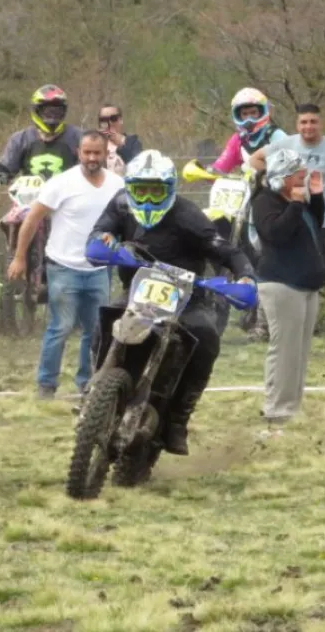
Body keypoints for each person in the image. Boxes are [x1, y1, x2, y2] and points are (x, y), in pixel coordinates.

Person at [88, 149, 255, 456]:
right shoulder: (120, 205)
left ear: (169, 189)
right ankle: (94, 392)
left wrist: (245, 276)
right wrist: (103, 241)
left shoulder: (187, 215)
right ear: (130, 189)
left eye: (156, 191)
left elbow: (226, 250)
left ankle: (178, 419)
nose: (148, 198)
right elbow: (100, 231)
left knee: (206, 338)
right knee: (106, 320)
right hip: (138, 290)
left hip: (187, 296)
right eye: (141, 190)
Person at [7, 132, 124, 400]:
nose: (92, 158)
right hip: (63, 268)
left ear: (106, 153)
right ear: (78, 153)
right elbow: (32, 220)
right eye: (87, 152)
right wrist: (20, 257)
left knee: (95, 331)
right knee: (60, 327)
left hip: (99, 271)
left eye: (97, 153)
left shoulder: (118, 185)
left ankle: (87, 383)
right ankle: (46, 385)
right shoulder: (62, 183)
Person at [251, 149, 325, 438]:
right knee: (283, 350)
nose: (304, 177)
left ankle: (292, 407)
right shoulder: (264, 201)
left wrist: (316, 197)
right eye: (299, 173)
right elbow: (276, 234)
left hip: (306, 285)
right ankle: (276, 411)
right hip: (282, 284)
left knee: (300, 351)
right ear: (283, 177)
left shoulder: (296, 199)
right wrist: (296, 205)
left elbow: (313, 226)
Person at [249, 103, 325, 274]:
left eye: (313, 122)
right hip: (290, 215)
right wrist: (276, 182)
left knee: (319, 269)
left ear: (321, 124)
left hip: (323, 219)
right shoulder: (285, 144)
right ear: (297, 125)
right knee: (291, 269)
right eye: (304, 122)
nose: (308, 127)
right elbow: (255, 159)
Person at [0, 85, 83, 182]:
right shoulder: (20, 139)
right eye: (48, 112)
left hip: (67, 195)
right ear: (37, 111)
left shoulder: (79, 137)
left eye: (57, 111)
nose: (52, 116)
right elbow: (7, 168)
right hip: (29, 196)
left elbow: (89, 168)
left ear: (64, 112)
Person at [208, 88, 287, 175]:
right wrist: (208, 172)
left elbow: (292, 165)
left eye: (253, 113)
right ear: (239, 116)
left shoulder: (276, 135)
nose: (249, 119)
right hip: (248, 187)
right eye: (245, 114)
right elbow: (222, 164)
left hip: (276, 185)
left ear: (261, 113)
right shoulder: (238, 140)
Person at [98, 104, 142, 174]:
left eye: (113, 119)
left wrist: (121, 145)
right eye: (103, 120)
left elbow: (137, 167)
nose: (109, 123)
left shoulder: (133, 143)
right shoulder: (93, 142)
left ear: (121, 120)